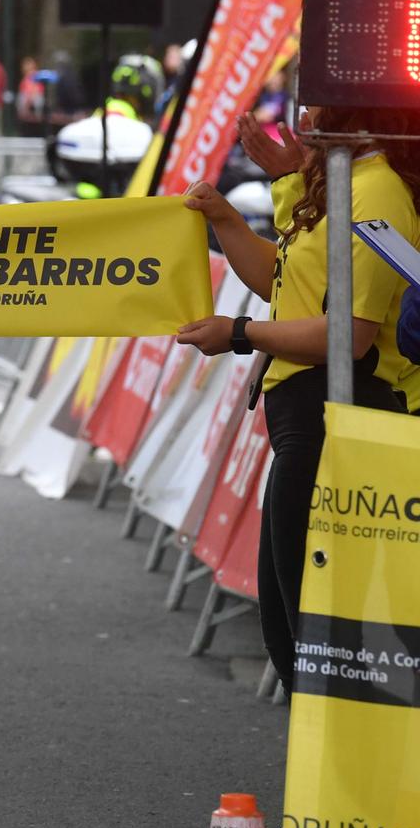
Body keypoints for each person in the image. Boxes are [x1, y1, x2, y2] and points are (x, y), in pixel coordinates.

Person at [177, 107, 420, 694]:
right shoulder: (343, 181)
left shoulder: (376, 190)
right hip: (307, 420)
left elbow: (347, 336)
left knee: (314, 633)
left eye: (315, 99)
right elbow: (289, 285)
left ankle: (347, 773)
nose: (301, 114)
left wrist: (239, 333)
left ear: (355, 115)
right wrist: (226, 216)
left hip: (344, 419)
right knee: (292, 627)